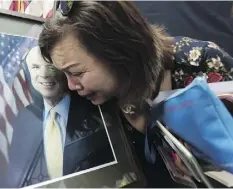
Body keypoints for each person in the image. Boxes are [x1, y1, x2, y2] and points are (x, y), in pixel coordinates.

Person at [38, 1, 233, 187]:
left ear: (118, 52)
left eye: (77, 73)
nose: (71, 85)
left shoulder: (202, 65)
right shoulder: (90, 100)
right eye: (64, 74)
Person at [5, 46, 114, 188]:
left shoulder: (94, 106)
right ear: (27, 73)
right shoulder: (24, 118)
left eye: (50, 66)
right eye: (35, 67)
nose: (43, 74)